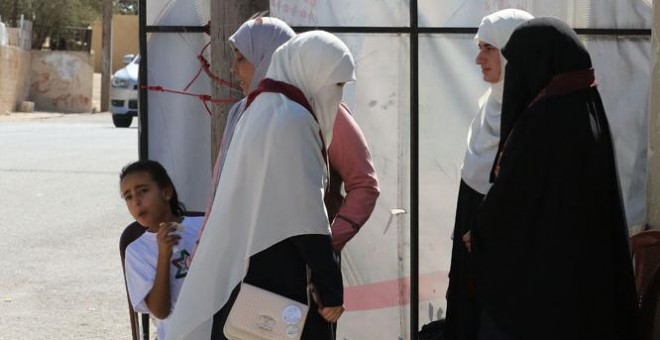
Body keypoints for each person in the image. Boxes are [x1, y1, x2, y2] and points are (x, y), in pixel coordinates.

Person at [166, 30, 357, 340]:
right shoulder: (291, 120)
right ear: (311, 73)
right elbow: (305, 217)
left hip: (245, 281)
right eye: (335, 83)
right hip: (275, 290)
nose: (337, 94)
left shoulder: (262, 110)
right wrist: (331, 288)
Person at [472, 17, 638, 340]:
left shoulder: (540, 128)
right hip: (585, 304)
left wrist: (476, 232)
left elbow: (508, 213)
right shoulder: (589, 112)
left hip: (533, 310)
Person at [195, 17, 379, 253]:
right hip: (246, 261)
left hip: (301, 268)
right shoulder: (241, 112)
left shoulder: (320, 107)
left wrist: (326, 244)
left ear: (271, 57)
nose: (233, 68)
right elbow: (220, 191)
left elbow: (364, 183)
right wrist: (203, 251)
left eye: (241, 58)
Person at [444, 9, 533, 340]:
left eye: (489, 48)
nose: (479, 59)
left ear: (514, 52)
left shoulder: (532, 119)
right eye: (479, 47)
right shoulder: (488, 111)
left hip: (509, 274)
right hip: (472, 260)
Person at [120, 160, 210, 340]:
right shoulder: (137, 251)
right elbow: (160, 311)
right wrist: (163, 254)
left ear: (166, 192)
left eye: (143, 191)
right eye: (128, 196)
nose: (136, 202)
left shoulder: (203, 226)